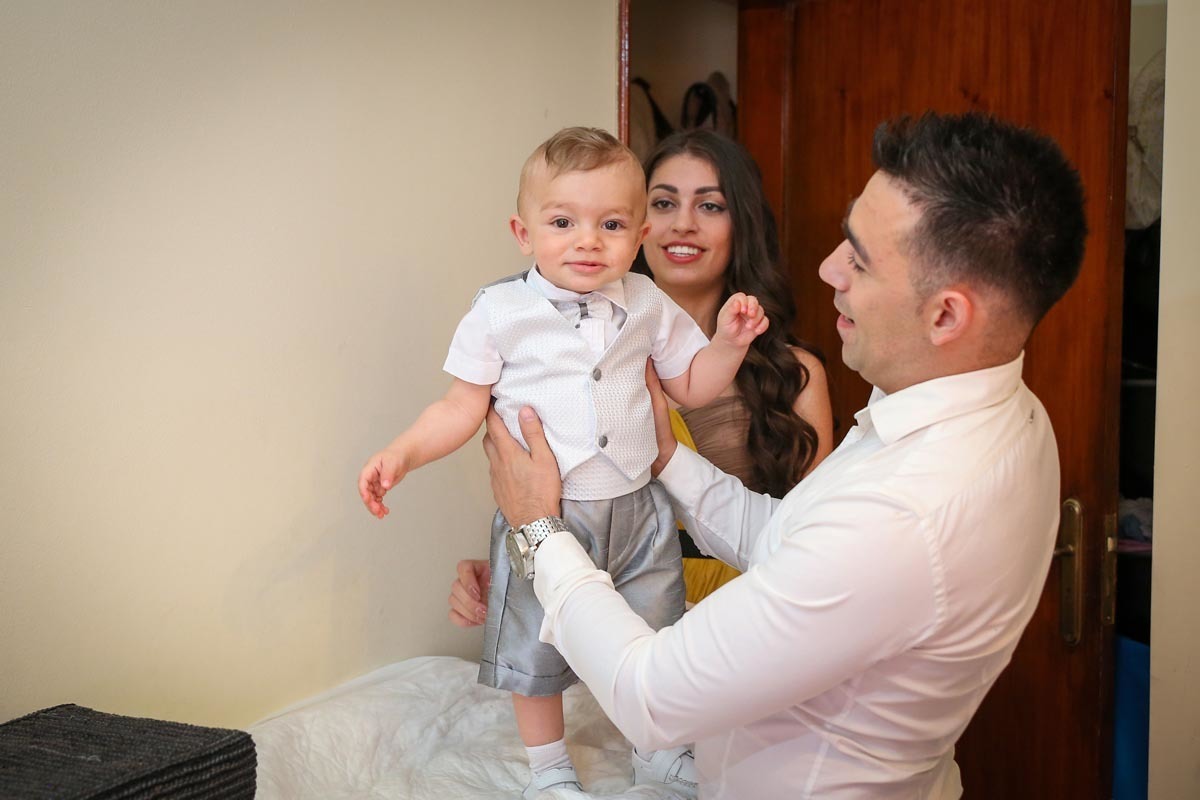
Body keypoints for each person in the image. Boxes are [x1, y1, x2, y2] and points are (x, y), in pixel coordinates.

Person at [477, 112, 1088, 798]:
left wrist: (539, 530)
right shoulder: (1008, 414)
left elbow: (652, 697)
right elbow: (793, 544)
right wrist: (665, 458)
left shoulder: (905, 513)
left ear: (945, 314)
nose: (829, 268)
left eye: (859, 258)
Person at [357, 127, 768, 799]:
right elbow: (460, 406)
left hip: (639, 510)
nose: (588, 240)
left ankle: (658, 751)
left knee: (655, 630)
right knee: (534, 641)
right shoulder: (499, 311)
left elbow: (692, 386)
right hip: (546, 515)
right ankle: (548, 771)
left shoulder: (647, 302)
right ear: (523, 233)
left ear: (639, 237)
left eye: (611, 224)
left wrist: (726, 344)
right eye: (562, 222)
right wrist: (403, 452)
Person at [449, 129, 834, 626]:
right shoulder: (548, 351)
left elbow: (816, 551)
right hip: (594, 611)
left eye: (710, 206)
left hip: (735, 621)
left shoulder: (795, 375)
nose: (683, 224)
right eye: (664, 203)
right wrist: (514, 568)